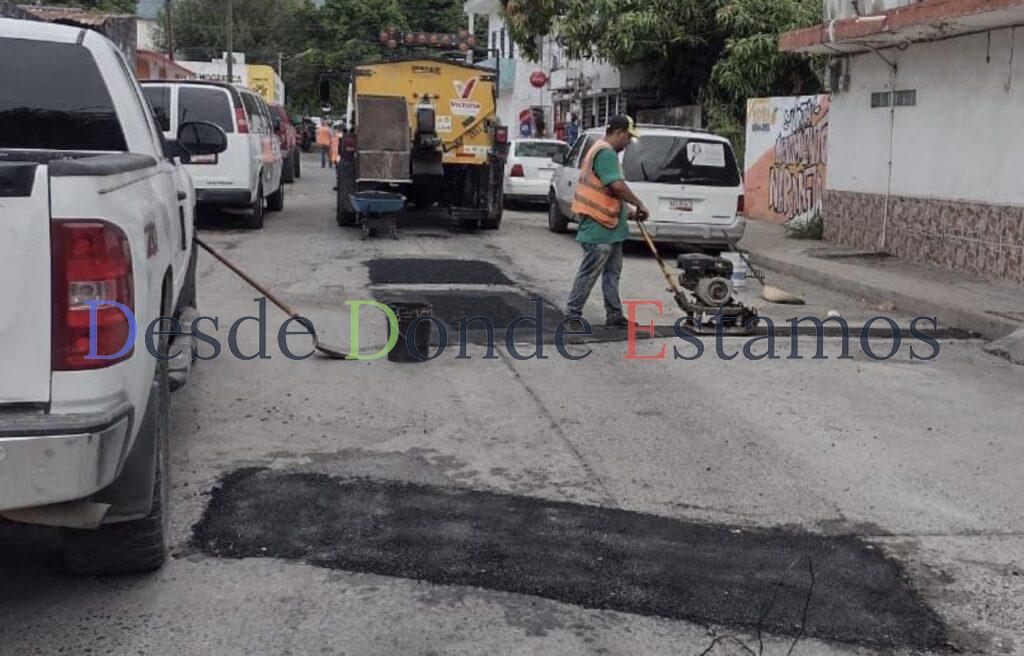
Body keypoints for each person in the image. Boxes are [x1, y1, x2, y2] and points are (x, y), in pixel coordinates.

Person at [566, 115, 649, 328]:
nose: (629, 141)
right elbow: (617, 186)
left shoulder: (601, 150)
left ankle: (614, 315)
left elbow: (607, 190)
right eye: (628, 137)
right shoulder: (605, 152)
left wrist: (627, 211)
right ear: (619, 132)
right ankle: (572, 315)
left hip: (610, 223)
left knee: (612, 272)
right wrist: (639, 204)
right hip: (597, 224)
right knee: (590, 270)